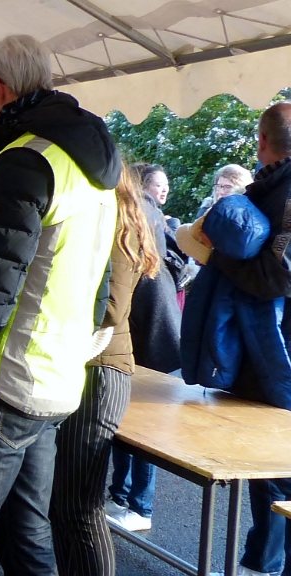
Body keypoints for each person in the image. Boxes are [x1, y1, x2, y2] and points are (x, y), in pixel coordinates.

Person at [0, 34, 120, 575]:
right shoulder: (90, 163)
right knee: (23, 538)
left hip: (5, 378)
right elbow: (99, 279)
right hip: (56, 378)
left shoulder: (26, 159)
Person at [188, 102, 291, 576]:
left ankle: (266, 565)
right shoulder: (271, 188)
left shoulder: (284, 192)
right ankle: (264, 562)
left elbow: (276, 274)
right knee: (269, 470)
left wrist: (215, 253)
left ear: (261, 141)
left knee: (276, 471)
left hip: (278, 353)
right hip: (266, 350)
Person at [49, 166, 160, 576]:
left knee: (79, 505)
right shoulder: (114, 222)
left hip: (100, 368)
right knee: (68, 504)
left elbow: (110, 310)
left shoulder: (116, 227)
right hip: (93, 367)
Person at [106, 164, 182, 534]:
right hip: (146, 329)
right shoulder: (143, 211)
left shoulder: (132, 210)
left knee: (140, 427)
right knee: (126, 422)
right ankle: (122, 496)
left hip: (147, 333)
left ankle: (139, 505)